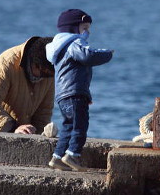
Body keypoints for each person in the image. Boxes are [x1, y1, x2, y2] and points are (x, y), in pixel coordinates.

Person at [45, 9, 113, 171]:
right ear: (74, 28)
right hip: (74, 92)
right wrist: (107, 54)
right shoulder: (74, 43)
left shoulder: (59, 47)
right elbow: (88, 56)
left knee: (68, 126)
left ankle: (57, 158)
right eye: (85, 28)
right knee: (80, 126)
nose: (87, 32)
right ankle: (73, 155)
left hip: (63, 95)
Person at [0, 36, 55, 134]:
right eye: (45, 74)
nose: (45, 78)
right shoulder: (7, 62)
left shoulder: (50, 69)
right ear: (36, 65)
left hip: (21, 127)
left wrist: (41, 135)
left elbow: (44, 112)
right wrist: (12, 128)